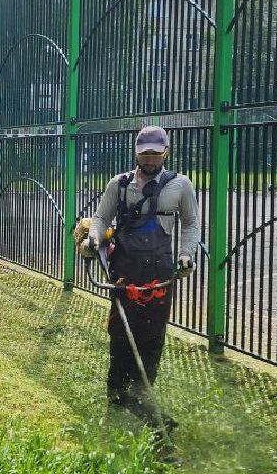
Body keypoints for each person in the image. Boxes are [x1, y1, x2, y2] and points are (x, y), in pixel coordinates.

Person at [80, 126, 199, 426]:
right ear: (136, 153)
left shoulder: (180, 186)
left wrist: (186, 255)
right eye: (145, 154)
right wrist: (94, 239)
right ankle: (117, 395)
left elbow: (191, 224)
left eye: (155, 155)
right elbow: (102, 218)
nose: (150, 160)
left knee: (151, 339)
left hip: (159, 275)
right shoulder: (119, 185)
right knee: (121, 336)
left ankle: (143, 397)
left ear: (166, 153)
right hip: (124, 274)